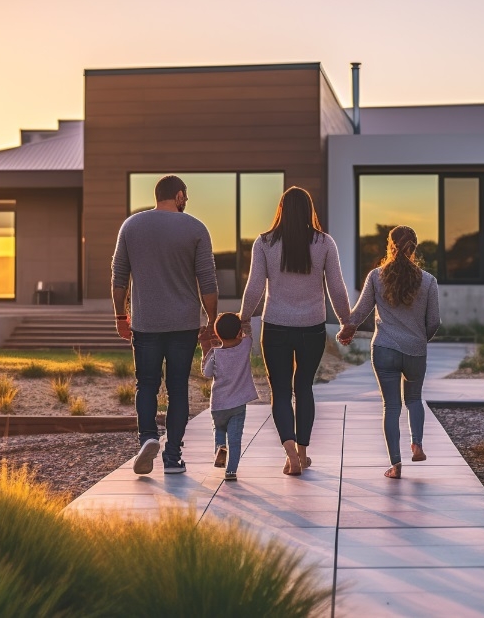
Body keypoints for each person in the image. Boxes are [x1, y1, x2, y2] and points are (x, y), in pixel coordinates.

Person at [239, 186, 351, 476]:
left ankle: (290, 453)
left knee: (280, 390)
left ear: (281, 210)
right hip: (311, 327)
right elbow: (336, 287)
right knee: (304, 388)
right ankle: (301, 453)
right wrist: (346, 321)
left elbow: (254, 286)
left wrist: (244, 318)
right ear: (309, 211)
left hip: (275, 326)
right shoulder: (324, 243)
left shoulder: (265, 243)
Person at [112, 174, 218, 476]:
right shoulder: (196, 228)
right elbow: (207, 281)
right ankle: (172, 457)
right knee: (177, 388)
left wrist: (121, 316)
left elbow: (119, 277)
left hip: (146, 323)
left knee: (146, 384)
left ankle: (147, 438)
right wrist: (211, 320)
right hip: (184, 324)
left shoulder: (131, 226)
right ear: (180, 196)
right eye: (186, 197)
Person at [339, 225, 440, 479]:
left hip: (384, 348)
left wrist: (346, 331)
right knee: (414, 400)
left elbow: (359, 313)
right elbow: (434, 321)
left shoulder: (376, 276)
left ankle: (396, 465)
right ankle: (417, 445)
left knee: (392, 406)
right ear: (414, 248)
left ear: (390, 246)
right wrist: (420, 339)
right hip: (415, 350)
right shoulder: (428, 281)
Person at [202, 313, 259, 481]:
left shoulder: (215, 354)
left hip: (218, 404)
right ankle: (231, 471)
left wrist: (207, 352)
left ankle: (220, 448)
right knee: (235, 439)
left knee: (219, 430)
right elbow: (248, 333)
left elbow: (206, 373)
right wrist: (244, 321)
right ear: (239, 332)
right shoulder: (245, 346)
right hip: (238, 405)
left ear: (217, 333)